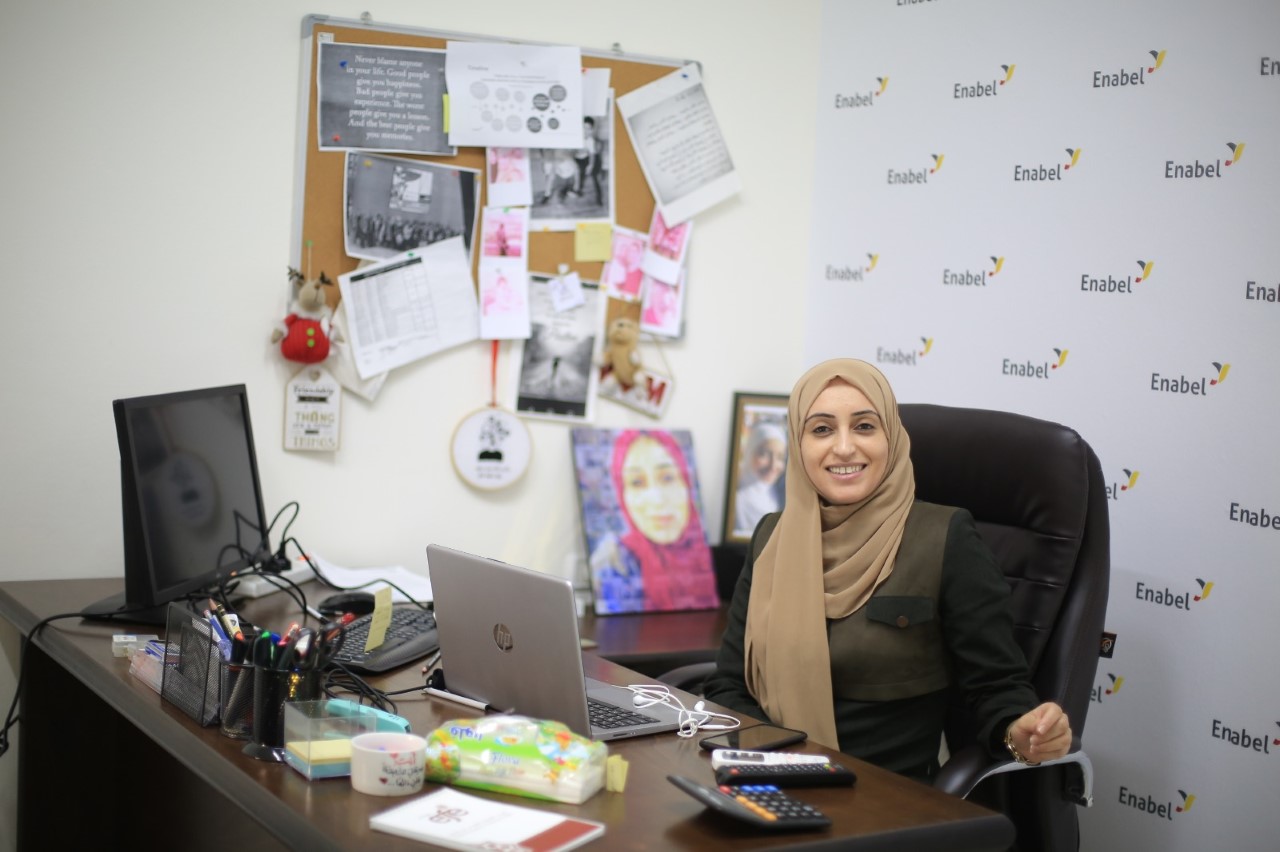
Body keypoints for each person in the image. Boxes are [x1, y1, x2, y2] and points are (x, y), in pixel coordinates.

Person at [702, 359, 1072, 782]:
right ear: (798, 443)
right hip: (771, 778)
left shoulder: (946, 538)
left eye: (864, 426)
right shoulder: (772, 537)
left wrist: (1018, 731)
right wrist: (782, 765)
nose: (843, 447)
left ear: (892, 437)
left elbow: (995, 685)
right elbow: (728, 686)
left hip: (883, 803)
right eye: (821, 429)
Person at [588, 430, 720, 614]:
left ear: (686, 484)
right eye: (636, 482)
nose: (657, 499)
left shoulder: (706, 563)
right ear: (621, 494)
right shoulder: (613, 563)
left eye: (667, 478)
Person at [732, 420, 787, 536]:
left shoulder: (778, 494)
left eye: (780, 457)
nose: (773, 465)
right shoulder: (738, 501)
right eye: (765, 454)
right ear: (749, 454)